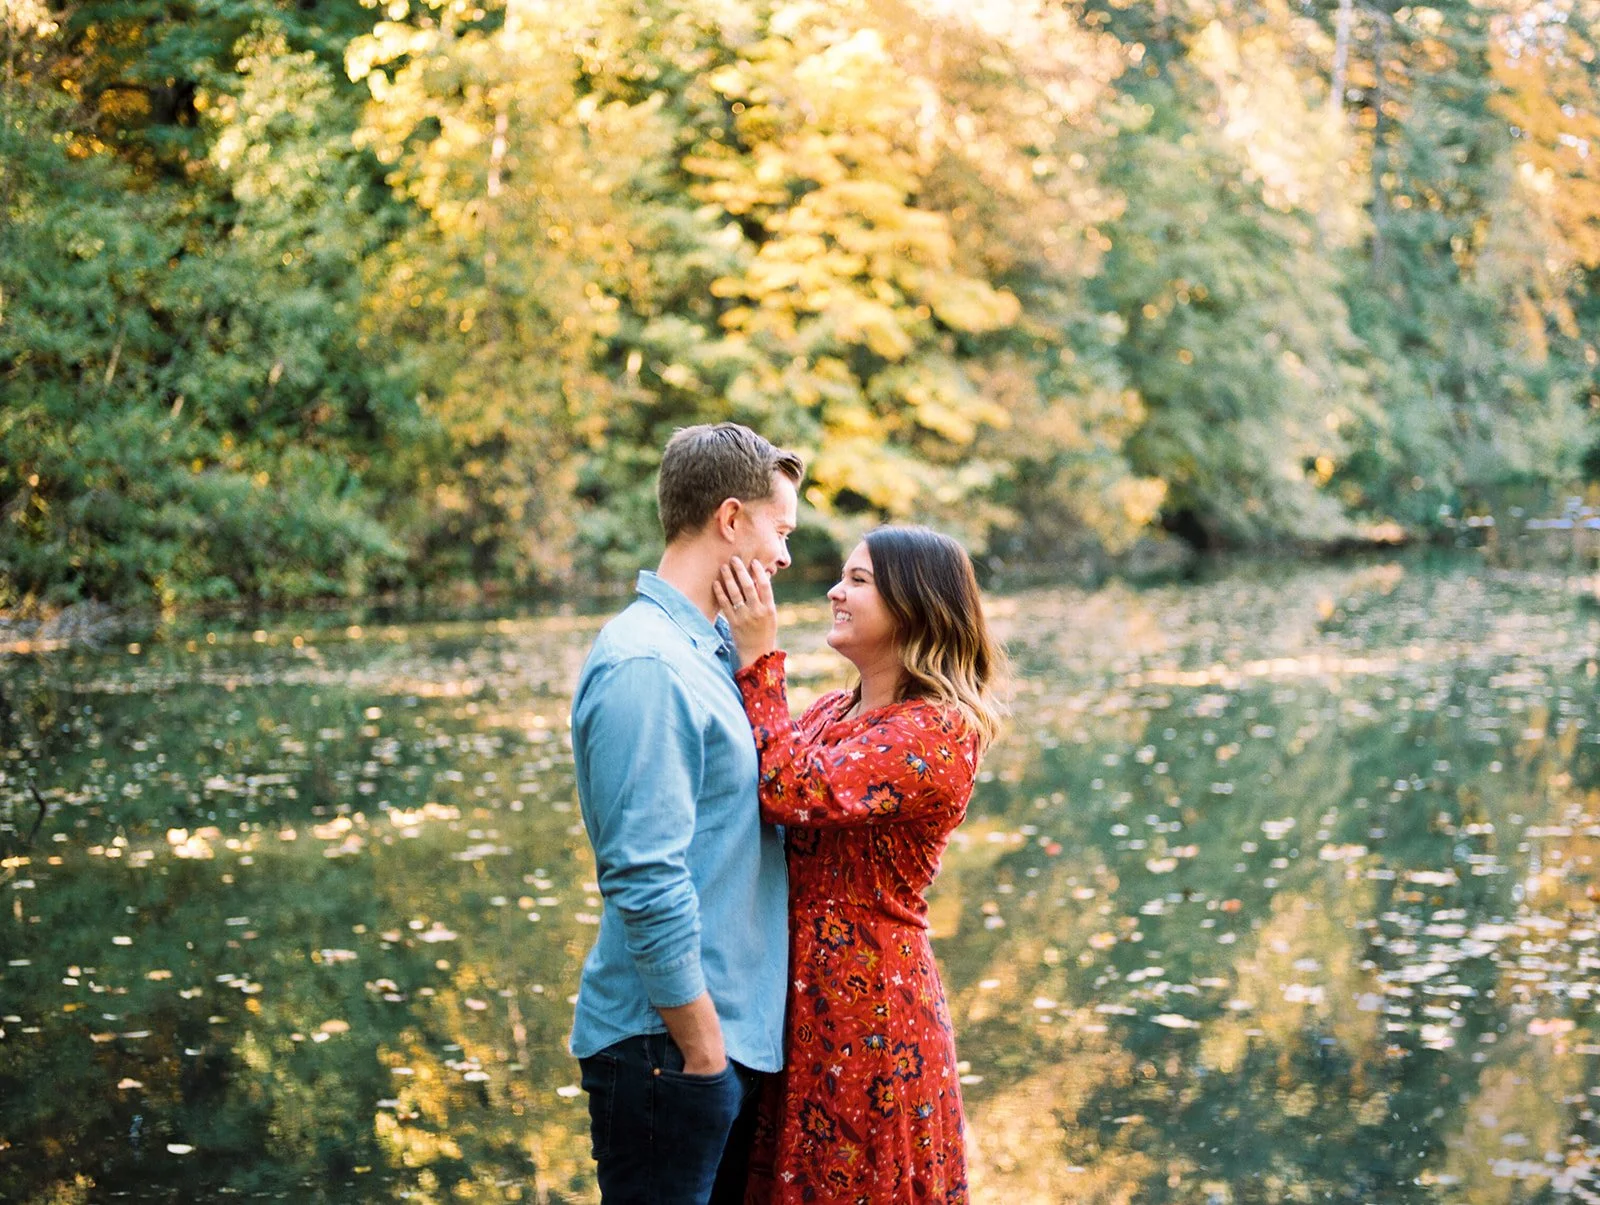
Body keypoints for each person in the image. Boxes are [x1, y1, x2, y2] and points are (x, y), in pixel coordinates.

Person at [713, 525, 1007, 1205]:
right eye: (842, 576)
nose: (834, 591)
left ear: (916, 605)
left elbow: (788, 790)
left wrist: (760, 655)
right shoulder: (830, 710)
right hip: (793, 995)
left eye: (858, 580)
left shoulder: (934, 731)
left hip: (867, 1009)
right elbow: (761, 768)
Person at [569, 422, 804, 1204]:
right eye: (780, 529)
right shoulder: (647, 664)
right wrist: (704, 1053)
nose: (785, 556)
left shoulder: (704, 652)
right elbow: (642, 874)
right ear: (730, 519)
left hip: (707, 1048)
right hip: (665, 1049)